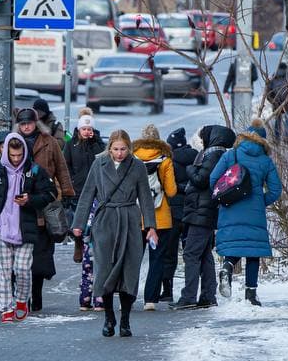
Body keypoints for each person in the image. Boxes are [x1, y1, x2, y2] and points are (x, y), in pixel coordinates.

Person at [70, 130, 158, 338]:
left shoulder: (136, 166)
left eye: (123, 149)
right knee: (104, 271)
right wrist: (78, 224)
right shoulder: (98, 164)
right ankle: (109, 318)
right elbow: (87, 194)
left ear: (129, 148)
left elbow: (145, 197)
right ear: (109, 148)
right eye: (116, 149)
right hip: (105, 221)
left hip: (129, 220)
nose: (119, 153)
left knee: (129, 270)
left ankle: (125, 320)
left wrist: (151, 226)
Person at [0, 133, 56, 323]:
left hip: (25, 228)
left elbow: (50, 193)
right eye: (12, 155)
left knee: (22, 269)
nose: (16, 159)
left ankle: (22, 300)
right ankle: (5, 308)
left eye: (19, 155)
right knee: (4, 270)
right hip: (0, 228)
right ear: (5, 151)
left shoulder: (34, 170)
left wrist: (31, 200)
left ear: (25, 152)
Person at [212, 120, 283, 305]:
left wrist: (225, 197)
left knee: (235, 245)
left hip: (230, 208)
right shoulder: (265, 160)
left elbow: (213, 179)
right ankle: (251, 295)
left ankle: (227, 267)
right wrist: (260, 201)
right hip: (255, 211)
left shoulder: (232, 154)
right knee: (253, 251)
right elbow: (275, 190)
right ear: (263, 140)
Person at [15, 107, 74, 313]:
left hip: (44, 202)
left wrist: (66, 193)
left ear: (35, 123)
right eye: (22, 124)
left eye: (29, 123)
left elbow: (61, 167)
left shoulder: (48, 142)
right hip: (19, 207)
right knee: (20, 256)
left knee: (40, 255)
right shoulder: (13, 142)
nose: (26, 127)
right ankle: (21, 297)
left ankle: (36, 298)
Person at [171, 124, 236, 310]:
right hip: (203, 210)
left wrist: (191, 169)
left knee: (191, 254)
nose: (202, 140)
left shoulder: (213, 155)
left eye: (204, 137)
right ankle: (208, 295)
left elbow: (201, 180)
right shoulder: (220, 154)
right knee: (205, 255)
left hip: (202, 210)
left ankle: (189, 296)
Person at [133, 125, 177, 311]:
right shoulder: (165, 160)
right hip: (160, 218)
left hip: (136, 216)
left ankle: (129, 296)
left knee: (133, 258)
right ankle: (150, 299)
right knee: (157, 258)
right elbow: (171, 191)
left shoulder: (132, 159)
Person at [64, 111, 105, 310]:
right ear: (78, 130)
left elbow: (103, 160)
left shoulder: (98, 144)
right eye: (84, 129)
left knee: (90, 223)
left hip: (96, 190)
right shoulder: (71, 145)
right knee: (78, 220)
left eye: (89, 129)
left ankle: (85, 241)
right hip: (79, 189)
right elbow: (66, 165)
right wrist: (70, 182)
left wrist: (94, 141)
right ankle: (79, 242)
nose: (87, 132)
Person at [159, 127, 198, 303]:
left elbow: (167, 187)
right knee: (191, 253)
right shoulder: (196, 158)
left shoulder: (168, 162)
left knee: (169, 252)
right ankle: (192, 290)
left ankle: (167, 290)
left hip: (172, 212)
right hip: (191, 211)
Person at [265, 63, 288, 142]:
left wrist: (273, 101)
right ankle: (286, 137)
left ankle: (277, 138)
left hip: (277, 103)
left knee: (277, 121)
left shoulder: (273, 77)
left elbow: (268, 93)